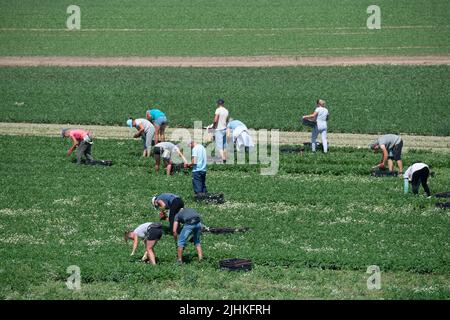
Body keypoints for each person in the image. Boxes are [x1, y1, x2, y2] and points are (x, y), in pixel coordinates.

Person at [212, 99, 229, 163]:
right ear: (223, 104)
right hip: (224, 129)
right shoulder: (226, 110)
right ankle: (224, 157)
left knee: (219, 146)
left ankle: (223, 158)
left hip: (218, 129)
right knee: (224, 144)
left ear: (218, 104)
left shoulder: (218, 110)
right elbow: (227, 120)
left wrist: (213, 126)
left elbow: (215, 120)